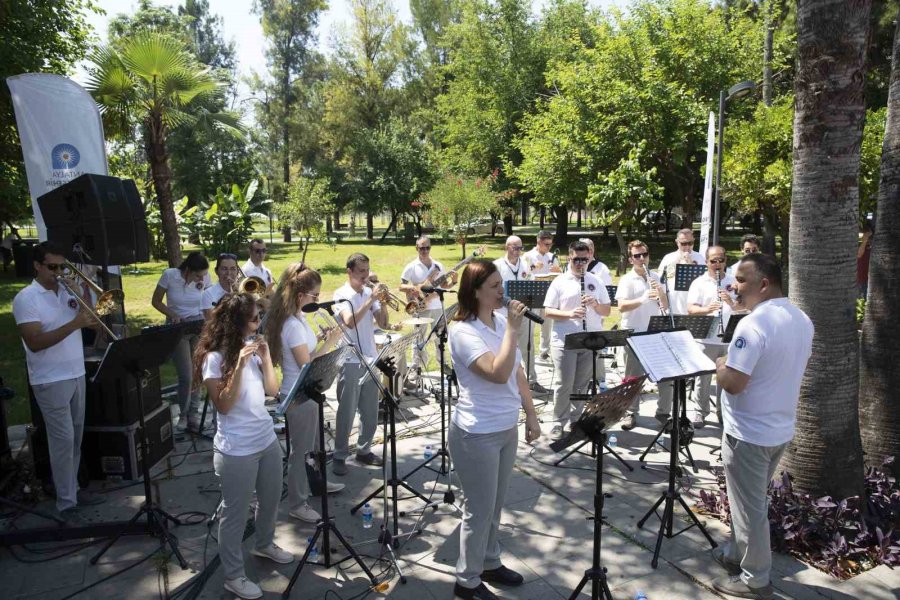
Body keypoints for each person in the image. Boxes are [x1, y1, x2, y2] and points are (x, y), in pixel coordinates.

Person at [711, 253, 813, 600]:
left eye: (740, 279)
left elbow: (734, 382)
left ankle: (755, 580)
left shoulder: (753, 324)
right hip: (779, 430)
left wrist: (720, 364)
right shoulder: (801, 318)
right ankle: (733, 554)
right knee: (750, 501)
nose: (733, 285)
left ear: (764, 284)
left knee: (749, 508)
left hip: (748, 434)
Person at [449, 259, 541, 600]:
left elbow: (516, 372)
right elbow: (497, 372)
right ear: (474, 292)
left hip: (506, 427)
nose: (503, 291)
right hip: (477, 433)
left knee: (496, 504)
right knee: (478, 509)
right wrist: (515, 330)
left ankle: (488, 561)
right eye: (494, 286)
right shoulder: (462, 332)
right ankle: (466, 582)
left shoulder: (500, 320)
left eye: (502, 283)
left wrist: (530, 414)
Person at [195, 293, 294, 599]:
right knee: (235, 513)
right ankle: (233, 575)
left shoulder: (251, 348)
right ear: (236, 322)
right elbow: (223, 406)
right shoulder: (214, 359)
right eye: (254, 318)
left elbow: (273, 392)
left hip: (265, 437)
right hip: (236, 448)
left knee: (271, 497)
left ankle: (264, 543)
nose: (258, 323)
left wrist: (264, 359)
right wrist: (237, 366)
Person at [12, 242, 105, 521]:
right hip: (49, 378)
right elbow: (35, 342)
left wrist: (83, 294)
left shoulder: (66, 291)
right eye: (52, 267)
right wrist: (73, 324)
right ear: (37, 266)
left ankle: (72, 490)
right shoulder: (26, 298)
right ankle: (66, 503)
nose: (59, 272)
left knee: (75, 437)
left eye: (62, 266)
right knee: (62, 440)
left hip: (75, 372)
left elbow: (96, 322)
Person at [266, 264, 345, 523]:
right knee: (300, 452)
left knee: (314, 446)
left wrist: (322, 339)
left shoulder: (299, 319)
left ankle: (318, 484)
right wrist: (330, 343)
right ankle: (297, 503)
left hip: (308, 393)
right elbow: (306, 364)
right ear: (300, 296)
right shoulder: (291, 325)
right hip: (297, 395)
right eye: (315, 295)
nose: (318, 300)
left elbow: (309, 352)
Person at [543, 240, 611, 440]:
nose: (581, 264)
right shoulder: (560, 281)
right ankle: (558, 421)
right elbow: (548, 311)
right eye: (576, 260)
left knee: (581, 384)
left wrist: (595, 303)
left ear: (590, 257)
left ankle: (576, 420)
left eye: (585, 259)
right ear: (569, 258)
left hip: (590, 339)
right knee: (564, 383)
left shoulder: (595, 281)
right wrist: (570, 313)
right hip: (565, 340)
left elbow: (606, 310)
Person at [331, 253, 388, 475]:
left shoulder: (367, 293)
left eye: (367, 270)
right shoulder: (341, 294)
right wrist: (372, 299)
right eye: (361, 271)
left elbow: (384, 323)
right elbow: (349, 321)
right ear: (350, 272)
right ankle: (339, 455)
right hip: (350, 359)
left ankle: (364, 450)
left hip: (371, 357)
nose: (366, 275)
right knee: (347, 409)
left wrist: (382, 303)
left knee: (370, 409)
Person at [615, 240, 671, 430]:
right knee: (633, 378)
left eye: (644, 255)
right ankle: (630, 413)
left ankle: (663, 412)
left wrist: (660, 292)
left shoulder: (655, 276)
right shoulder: (626, 280)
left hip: (655, 332)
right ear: (631, 259)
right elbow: (621, 306)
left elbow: (665, 306)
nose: (641, 259)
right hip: (634, 333)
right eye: (637, 256)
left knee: (665, 376)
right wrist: (643, 298)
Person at [152, 251, 210, 430]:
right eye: (198, 275)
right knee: (186, 375)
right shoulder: (170, 276)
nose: (201, 278)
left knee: (198, 371)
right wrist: (173, 314)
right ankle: (183, 415)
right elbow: (156, 301)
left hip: (198, 325)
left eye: (203, 275)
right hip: (178, 328)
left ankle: (194, 413)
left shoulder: (204, 278)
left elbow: (210, 299)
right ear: (187, 270)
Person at [686, 245, 737, 428]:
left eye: (721, 260)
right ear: (706, 262)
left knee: (726, 378)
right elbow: (691, 308)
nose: (717, 264)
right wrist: (708, 309)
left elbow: (745, 307)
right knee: (703, 378)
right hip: (706, 337)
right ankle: (700, 412)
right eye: (713, 261)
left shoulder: (734, 281)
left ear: (726, 261)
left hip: (728, 338)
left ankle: (723, 413)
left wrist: (730, 301)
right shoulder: (699, 283)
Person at [492, 235, 546, 394]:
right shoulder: (497, 265)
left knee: (528, 345)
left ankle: (531, 380)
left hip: (523, 311)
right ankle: (504, 379)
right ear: (507, 247)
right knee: (502, 347)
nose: (518, 251)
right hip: (503, 314)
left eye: (520, 248)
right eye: (515, 247)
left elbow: (531, 283)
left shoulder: (526, 264)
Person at [398, 236, 451, 384]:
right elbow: (401, 286)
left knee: (440, 338)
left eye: (427, 247)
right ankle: (417, 367)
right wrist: (413, 288)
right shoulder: (411, 266)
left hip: (437, 307)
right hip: (421, 307)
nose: (425, 251)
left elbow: (445, 285)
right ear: (416, 248)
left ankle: (443, 364)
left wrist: (453, 281)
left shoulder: (438, 265)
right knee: (419, 338)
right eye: (421, 248)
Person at [523, 231, 561, 361]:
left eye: (551, 244)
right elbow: (523, 276)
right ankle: (529, 353)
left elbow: (560, 276)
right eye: (546, 244)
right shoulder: (528, 256)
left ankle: (544, 351)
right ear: (538, 242)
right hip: (533, 294)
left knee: (547, 324)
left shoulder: (552, 256)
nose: (549, 247)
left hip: (549, 294)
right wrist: (533, 267)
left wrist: (559, 271)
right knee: (531, 325)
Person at [657, 228, 704, 316]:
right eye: (683, 244)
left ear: (694, 241)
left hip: (692, 308)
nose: (687, 247)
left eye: (690, 243)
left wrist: (691, 264)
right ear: (677, 242)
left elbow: (703, 282)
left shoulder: (700, 257)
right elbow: (661, 280)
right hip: (673, 306)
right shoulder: (668, 258)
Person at [202, 253, 239, 319]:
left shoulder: (243, 291)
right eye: (224, 269)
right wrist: (230, 297)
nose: (229, 273)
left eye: (233, 269)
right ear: (216, 271)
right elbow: (211, 321)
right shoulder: (208, 294)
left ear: (237, 272)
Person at [856, 221, 873, 300]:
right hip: (859, 280)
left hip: (868, 280)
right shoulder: (859, 245)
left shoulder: (869, 246)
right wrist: (865, 239)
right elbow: (859, 255)